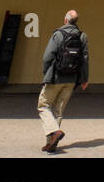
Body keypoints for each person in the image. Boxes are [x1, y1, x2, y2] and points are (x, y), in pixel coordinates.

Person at [38, 9, 89, 153]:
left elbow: (47, 57)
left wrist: (46, 73)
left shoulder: (58, 34)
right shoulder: (82, 36)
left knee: (43, 105)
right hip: (72, 79)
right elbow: (85, 59)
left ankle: (54, 132)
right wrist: (84, 78)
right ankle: (50, 143)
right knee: (58, 111)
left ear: (65, 20)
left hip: (56, 76)